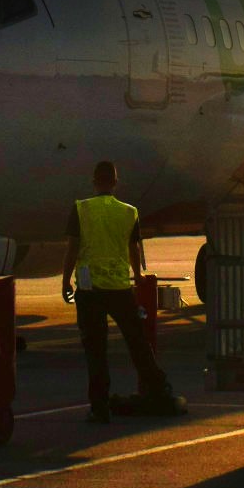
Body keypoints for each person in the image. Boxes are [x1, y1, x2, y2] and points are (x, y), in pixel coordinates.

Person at [60, 161, 183, 424]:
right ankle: (159, 389)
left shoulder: (81, 209)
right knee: (137, 342)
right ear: (115, 183)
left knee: (96, 351)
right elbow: (134, 249)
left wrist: (65, 281)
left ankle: (99, 406)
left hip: (89, 289)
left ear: (94, 181)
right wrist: (137, 277)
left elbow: (72, 248)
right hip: (119, 288)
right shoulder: (129, 212)